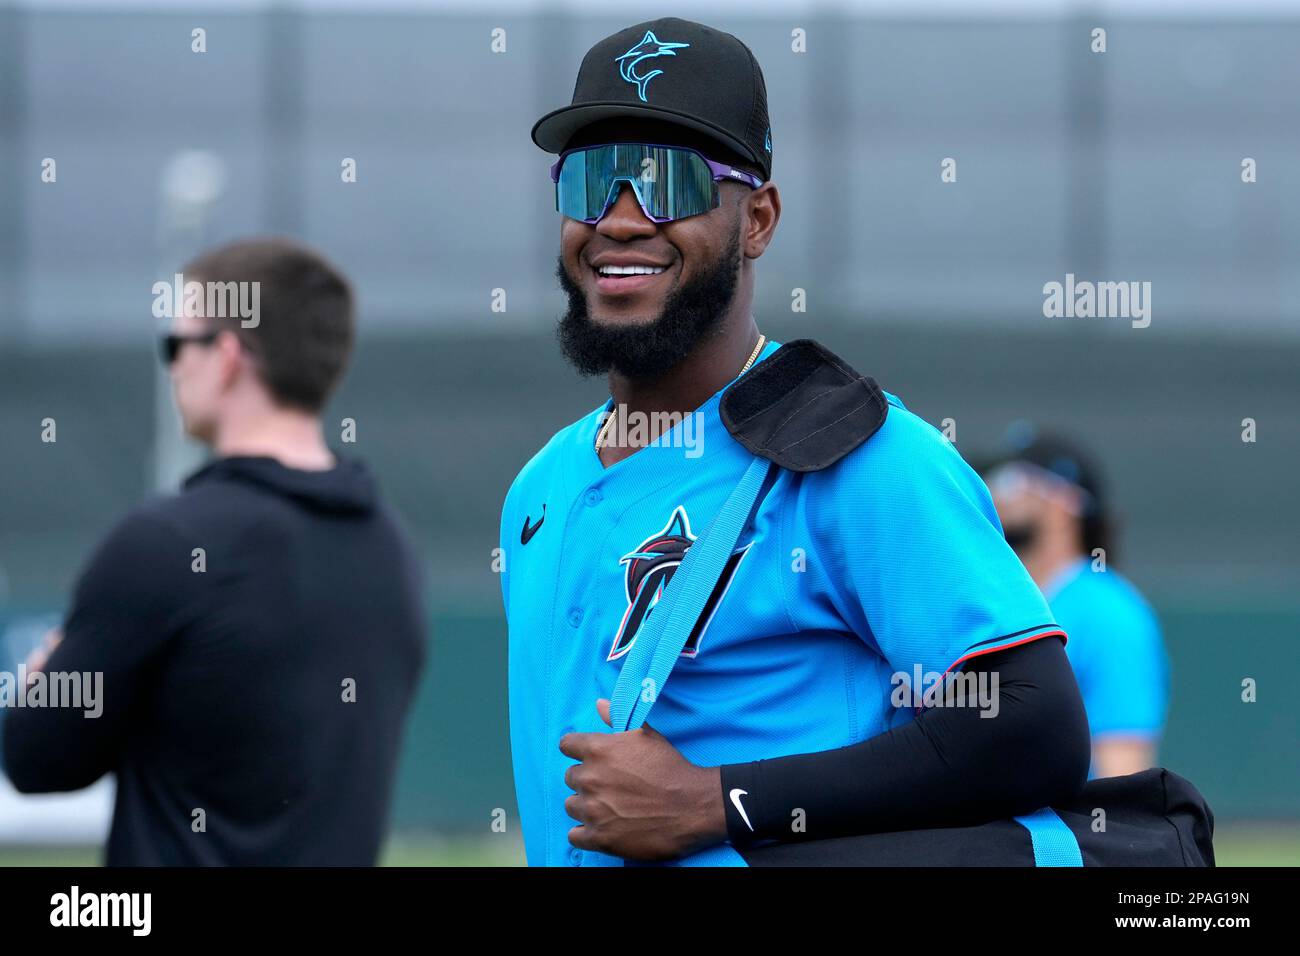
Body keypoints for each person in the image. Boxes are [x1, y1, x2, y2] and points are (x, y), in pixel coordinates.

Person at [500, 17, 1090, 867]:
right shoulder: (538, 488)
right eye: (591, 179)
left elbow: (1036, 725)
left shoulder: (863, 455)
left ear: (759, 220)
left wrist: (720, 800)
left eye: (668, 180)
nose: (619, 219)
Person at [1, 237, 427, 865]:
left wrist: (41, 683)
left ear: (227, 356)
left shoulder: (163, 544)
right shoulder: (390, 547)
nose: (172, 365)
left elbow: (34, 758)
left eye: (177, 345)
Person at [981, 426, 1170, 778]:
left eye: (1010, 482)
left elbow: (1122, 770)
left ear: (1064, 503)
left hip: (1063, 831)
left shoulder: (1110, 613)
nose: (994, 494)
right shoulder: (1000, 597)